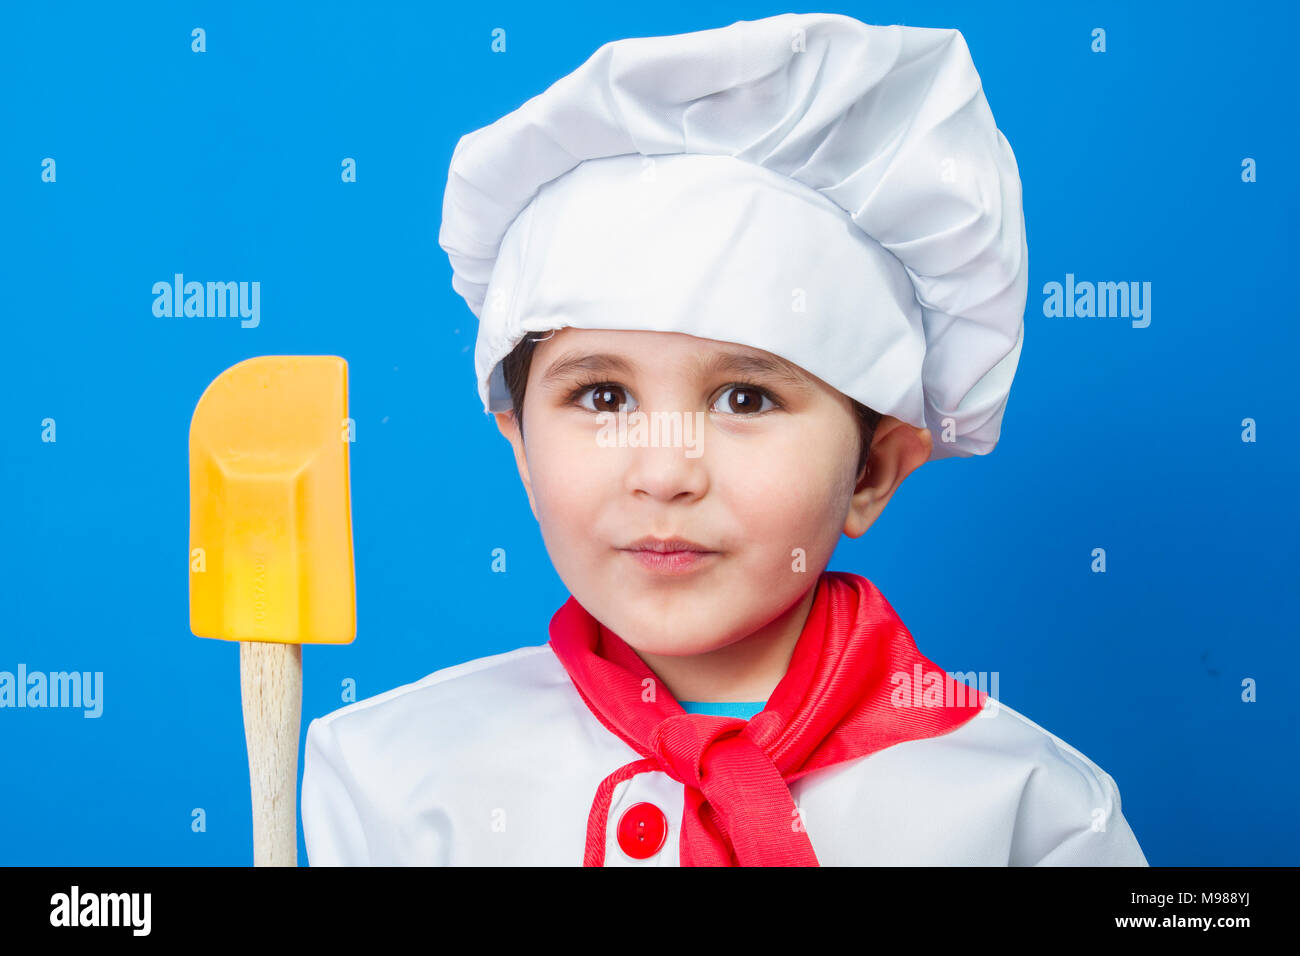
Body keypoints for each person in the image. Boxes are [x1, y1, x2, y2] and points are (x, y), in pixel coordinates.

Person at [301, 12, 1148, 866]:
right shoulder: (391, 783)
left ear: (872, 472)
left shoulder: (1027, 815)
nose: (665, 471)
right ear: (520, 445)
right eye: (602, 395)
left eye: (744, 398)